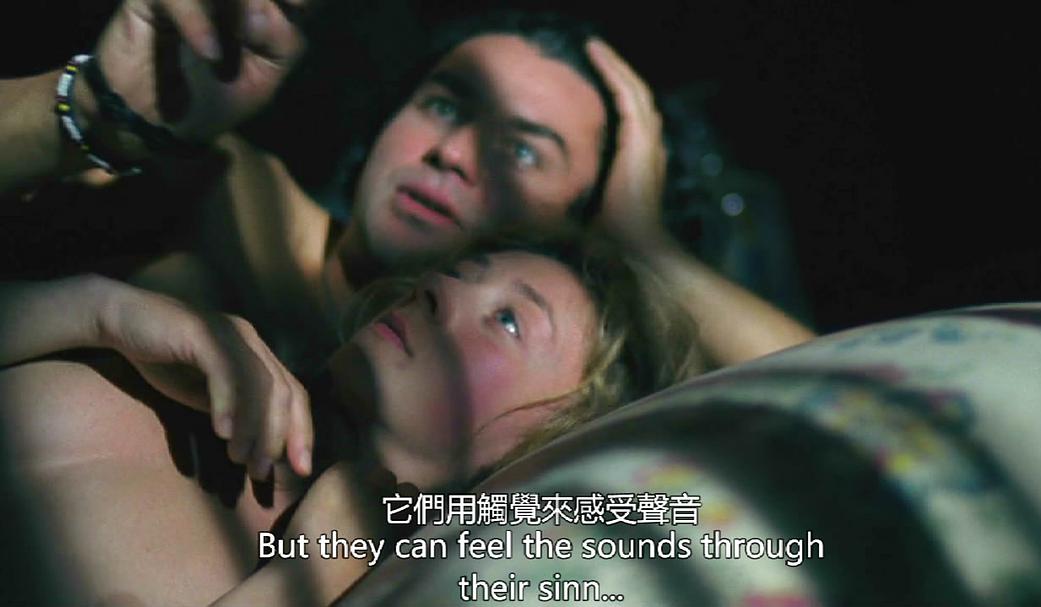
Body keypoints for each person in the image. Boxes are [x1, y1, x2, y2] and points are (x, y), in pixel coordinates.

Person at [0, 1, 812, 371]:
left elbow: (839, 406)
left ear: (579, 226)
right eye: (444, 105)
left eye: (521, 152)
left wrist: (642, 245)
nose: (453, 153)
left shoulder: (543, 415)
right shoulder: (229, 198)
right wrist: (92, 112)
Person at [0, 231, 702, 605]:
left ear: (549, 449)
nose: (438, 287)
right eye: (463, 271)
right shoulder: (174, 341)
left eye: (510, 321)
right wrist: (98, 310)